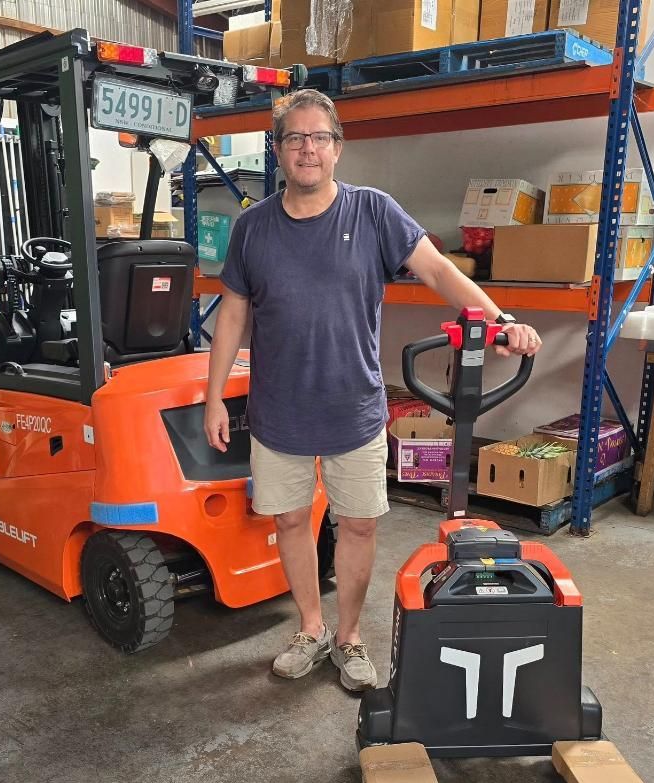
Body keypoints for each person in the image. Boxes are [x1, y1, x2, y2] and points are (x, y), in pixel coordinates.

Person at [204, 89, 541, 692]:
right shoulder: (253, 226)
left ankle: (349, 636)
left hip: (353, 407)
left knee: (357, 526)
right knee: (288, 523)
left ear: (338, 149)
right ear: (278, 150)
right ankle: (310, 627)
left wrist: (500, 320)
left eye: (319, 138)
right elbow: (232, 313)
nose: (307, 149)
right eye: (294, 138)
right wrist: (211, 398)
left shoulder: (373, 212)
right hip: (277, 408)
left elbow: (439, 269)